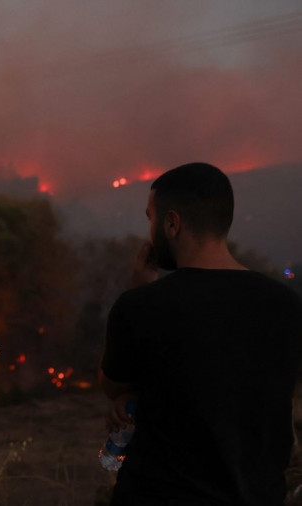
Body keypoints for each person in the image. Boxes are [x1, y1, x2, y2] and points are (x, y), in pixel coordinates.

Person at [100, 162, 302, 505]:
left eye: (151, 218)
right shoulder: (288, 305)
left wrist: (137, 292)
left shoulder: (142, 306)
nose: (150, 231)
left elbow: (115, 383)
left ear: (172, 223)